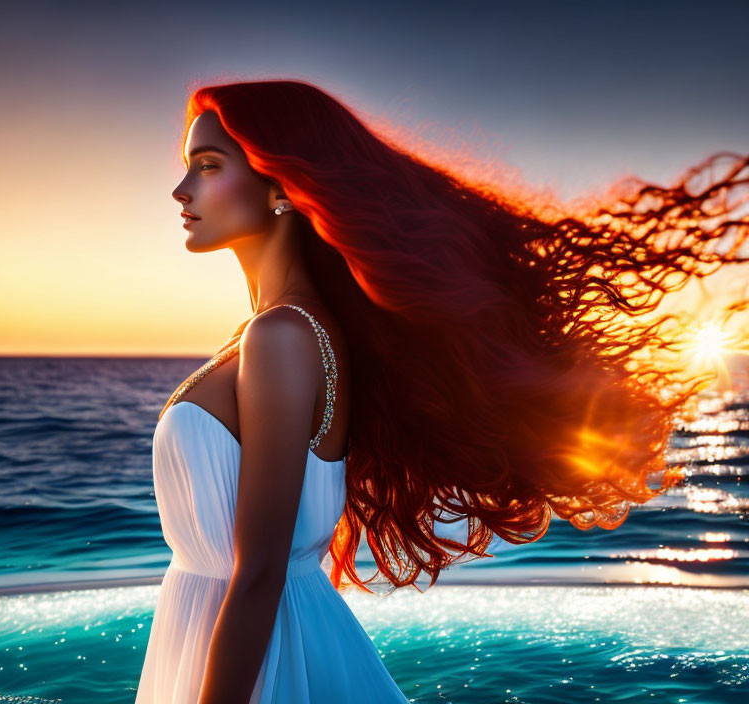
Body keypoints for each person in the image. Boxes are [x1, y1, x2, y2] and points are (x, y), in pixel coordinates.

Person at [135, 80, 749, 703]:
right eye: (187, 167)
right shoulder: (286, 331)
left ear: (280, 187)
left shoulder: (283, 336)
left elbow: (260, 573)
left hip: (261, 656)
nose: (183, 190)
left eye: (209, 167)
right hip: (247, 637)